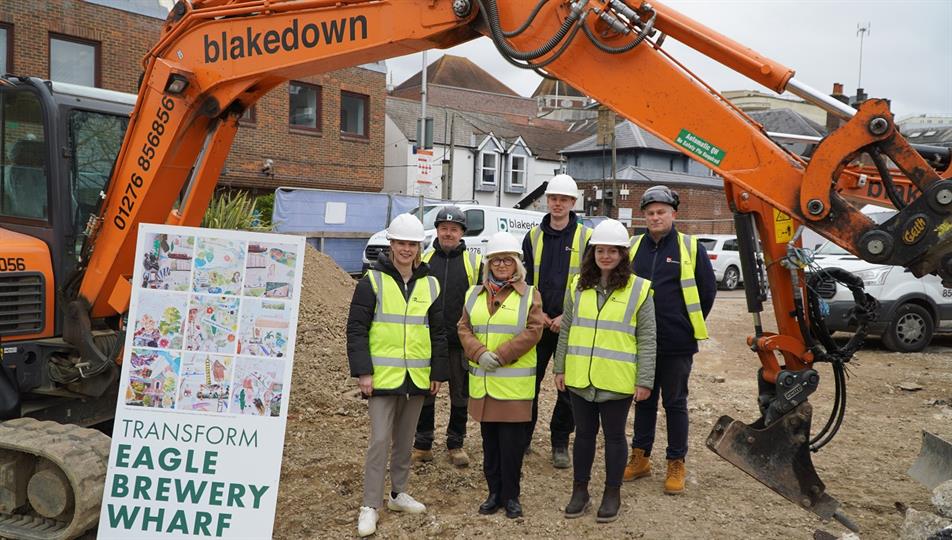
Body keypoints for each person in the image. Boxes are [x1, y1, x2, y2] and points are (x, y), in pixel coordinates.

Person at [347, 213, 448, 537]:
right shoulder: (372, 281)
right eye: (401, 243)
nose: (406, 249)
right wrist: (363, 372)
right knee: (379, 441)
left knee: (405, 440)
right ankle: (370, 504)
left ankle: (398, 493)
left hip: (416, 376)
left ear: (419, 247)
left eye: (412, 244)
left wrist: (437, 371)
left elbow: (439, 332)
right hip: (381, 377)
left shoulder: (430, 283)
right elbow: (357, 329)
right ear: (391, 244)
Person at [553, 219, 656, 523]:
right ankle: (580, 491)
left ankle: (612, 493)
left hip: (616, 378)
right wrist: (560, 367)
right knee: (583, 436)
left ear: (623, 254)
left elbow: (647, 337)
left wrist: (645, 380)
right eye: (600, 250)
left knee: (614, 437)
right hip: (580, 375)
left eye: (613, 250)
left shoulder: (639, 289)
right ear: (592, 253)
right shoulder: (577, 284)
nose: (606, 256)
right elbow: (567, 328)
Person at [624, 185, 716, 495]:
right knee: (643, 400)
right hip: (640, 341)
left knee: (675, 403)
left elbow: (707, 291)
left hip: (677, 342)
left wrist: (685, 324)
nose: (655, 217)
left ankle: (676, 462)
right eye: (650, 213)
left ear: (673, 214)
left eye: (661, 212)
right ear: (644, 216)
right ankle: (640, 457)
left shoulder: (690, 247)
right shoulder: (633, 247)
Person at [458, 232, 544, 519]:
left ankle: (511, 496)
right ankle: (493, 493)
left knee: (512, 447)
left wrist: (502, 355)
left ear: (517, 263)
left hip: (513, 388)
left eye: (507, 260)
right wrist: (479, 352)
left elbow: (534, 331)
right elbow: (463, 328)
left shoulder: (529, 294)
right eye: (496, 260)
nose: (502, 265)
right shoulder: (474, 294)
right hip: (484, 385)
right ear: (488, 264)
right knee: (490, 444)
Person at [522, 173, 591, 468]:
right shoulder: (532, 237)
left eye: (563, 199)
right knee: (528, 382)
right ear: (546, 201)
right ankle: (523, 437)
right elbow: (523, 281)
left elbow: (589, 282)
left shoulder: (586, 238)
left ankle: (560, 442)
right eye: (553, 198)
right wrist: (537, 313)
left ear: (573, 202)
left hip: (569, 324)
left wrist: (567, 315)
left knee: (567, 386)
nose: (557, 204)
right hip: (538, 323)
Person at [412, 206, 482, 468]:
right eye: (444, 228)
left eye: (454, 229)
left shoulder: (474, 262)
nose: (448, 233)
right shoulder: (424, 260)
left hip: (459, 342)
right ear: (437, 230)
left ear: (462, 233)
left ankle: (456, 443)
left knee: (460, 396)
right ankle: (423, 444)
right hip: (428, 341)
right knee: (425, 393)